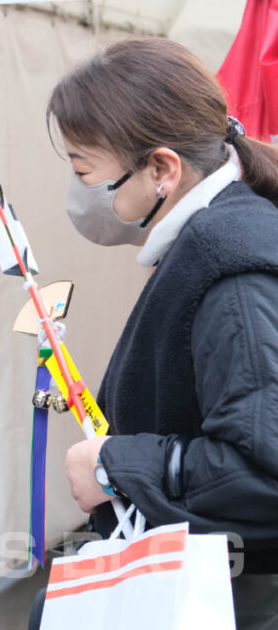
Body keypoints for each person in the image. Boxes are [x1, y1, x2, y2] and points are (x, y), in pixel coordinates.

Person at [42, 38, 278, 628]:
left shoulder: (230, 261)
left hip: (231, 600)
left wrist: (115, 464)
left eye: (84, 170)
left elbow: (261, 470)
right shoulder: (217, 238)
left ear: (162, 168)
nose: (80, 192)